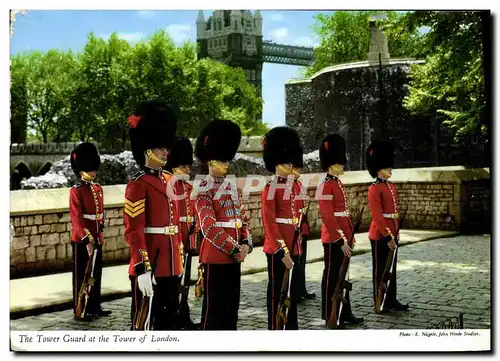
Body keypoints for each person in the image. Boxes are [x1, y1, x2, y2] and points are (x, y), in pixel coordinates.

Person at [124, 100, 183, 330]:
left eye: (166, 147)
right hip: (153, 264)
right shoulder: (138, 185)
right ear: (147, 149)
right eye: (160, 148)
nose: (166, 151)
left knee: (169, 326)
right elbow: (134, 230)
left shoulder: (170, 180)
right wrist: (141, 268)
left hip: (171, 264)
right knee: (146, 326)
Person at [194, 119, 253, 330]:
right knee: (214, 314)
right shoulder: (203, 187)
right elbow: (208, 226)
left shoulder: (231, 188)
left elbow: (243, 219)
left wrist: (246, 245)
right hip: (216, 257)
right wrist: (234, 248)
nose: (227, 164)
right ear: (210, 161)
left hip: (234, 258)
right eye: (222, 160)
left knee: (231, 312)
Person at [261, 126, 305, 330]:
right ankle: (276, 329)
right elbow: (270, 224)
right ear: (276, 163)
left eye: (291, 161)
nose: (290, 165)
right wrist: (282, 251)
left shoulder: (294, 186)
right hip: (278, 249)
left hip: (293, 245)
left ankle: (291, 328)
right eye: (286, 162)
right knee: (278, 291)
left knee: (291, 292)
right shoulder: (271, 187)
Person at [318, 134, 364, 327]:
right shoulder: (325, 185)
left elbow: (342, 214)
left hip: (344, 237)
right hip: (333, 239)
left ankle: (344, 312)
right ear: (331, 165)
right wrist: (340, 239)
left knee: (342, 276)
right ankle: (330, 313)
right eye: (339, 162)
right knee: (332, 277)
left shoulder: (337, 183)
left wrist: (349, 236)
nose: (343, 165)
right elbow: (328, 217)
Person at [69, 142, 111, 321]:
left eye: (94, 169)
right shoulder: (76, 191)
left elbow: (99, 215)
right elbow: (77, 219)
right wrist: (87, 238)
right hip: (82, 240)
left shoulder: (97, 189)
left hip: (96, 238)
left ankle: (94, 305)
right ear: (81, 170)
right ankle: (81, 306)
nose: (94, 172)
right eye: (90, 169)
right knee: (82, 276)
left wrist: (98, 236)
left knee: (96, 275)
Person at [366, 140, 409, 313]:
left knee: (391, 270)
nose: (390, 169)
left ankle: (391, 299)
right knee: (380, 270)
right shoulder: (374, 188)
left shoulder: (391, 186)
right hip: (379, 235)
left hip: (393, 232)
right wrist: (387, 236)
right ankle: (379, 300)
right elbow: (377, 216)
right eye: (387, 167)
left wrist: (395, 234)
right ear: (378, 168)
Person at [164, 136, 199, 330]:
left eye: (188, 165)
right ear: (175, 166)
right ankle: (174, 316)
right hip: (175, 241)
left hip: (187, 240)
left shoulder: (187, 186)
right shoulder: (169, 185)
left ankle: (184, 316)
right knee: (174, 282)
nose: (188, 169)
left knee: (185, 281)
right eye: (184, 166)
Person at [291, 148, 316, 303]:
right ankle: (294, 290)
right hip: (294, 229)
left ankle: (302, 289)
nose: (299, 171)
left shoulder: (299, 184)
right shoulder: (286, 186)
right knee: (296, 261)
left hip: (303, 227)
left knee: (302, 261)